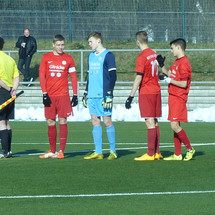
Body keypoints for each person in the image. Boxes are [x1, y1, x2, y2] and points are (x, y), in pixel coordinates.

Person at [38, 34, 77, 159]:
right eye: (58, 45)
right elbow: (42, 75)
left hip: (63, 95)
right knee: (50, 121)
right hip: (50, 95)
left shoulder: (69, 59)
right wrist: (44, 93)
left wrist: (75, 94)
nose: (61, 47)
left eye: (62, 45)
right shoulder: (46, 58)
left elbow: (74, 77)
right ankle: (52, 150)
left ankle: (61, 151)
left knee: (63, 120)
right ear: (53, 45)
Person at [126, 31, 163, 161]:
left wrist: (130, 96)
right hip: (156, 90)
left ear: (137, 42)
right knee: (155, 120)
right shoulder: (154, 53)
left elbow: (138, 78)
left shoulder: (142, 57)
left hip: (147, 91)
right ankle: (157, 152)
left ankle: (150, 153)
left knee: (149, 121)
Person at [83, 32, 117, 160]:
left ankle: (113, 151)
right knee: (95, 121)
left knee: (107, 121)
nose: (90, 44)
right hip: (92, 95)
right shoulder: (90, 56)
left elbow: (113, 76)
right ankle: (98, 151)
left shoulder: (108, 55)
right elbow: (89, 76)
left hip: (103, 94)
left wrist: (109, 93)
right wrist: (86, 92)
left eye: (91, 42)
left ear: (98, 40)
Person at [162, 38, 196, 161]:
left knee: (174, 125)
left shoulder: (184, 63)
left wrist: (170, 81)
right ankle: (177, 154)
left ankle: (190, 148)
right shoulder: (177, 62)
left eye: (172, 48)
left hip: (179, 97)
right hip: (172, 96)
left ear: (178, 47)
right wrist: (162, 66)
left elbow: (184, 84)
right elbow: (169, 75)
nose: (171, 51)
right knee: (175, 125)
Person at [0, 35, 19, 158]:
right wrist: (13, 89)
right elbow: (16, 76)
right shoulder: (9, 59)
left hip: (0, 92)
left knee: (0, 122)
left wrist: (9, 88)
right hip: (10, 94)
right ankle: (9, 150)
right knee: (7, 122)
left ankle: (4, 151)